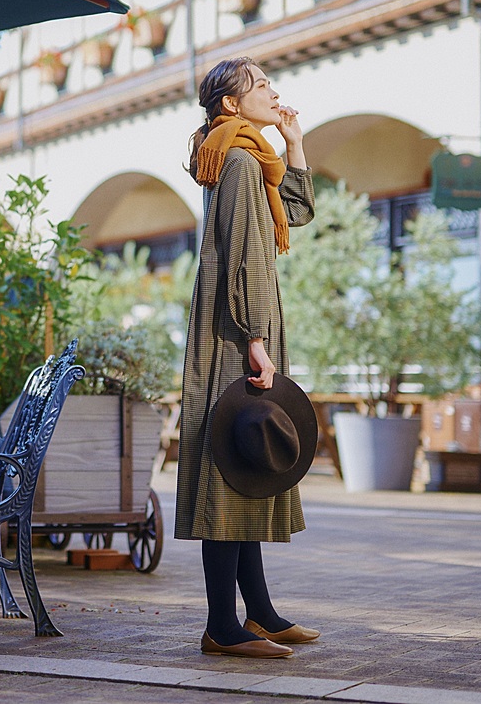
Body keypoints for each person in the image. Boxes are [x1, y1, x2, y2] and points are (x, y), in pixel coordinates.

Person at [177, 56, 317, 659]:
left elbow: (298, 213)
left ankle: (257, 612)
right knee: (230, 470)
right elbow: (236, 255)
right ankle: (220, 625)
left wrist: (295, 142)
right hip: (238, 337)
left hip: (249, 330)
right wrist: (254, 337)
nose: (272, 90)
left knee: (249, 467)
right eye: (259, 84)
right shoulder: (234, 159)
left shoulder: (254, 158)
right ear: (231, 105)